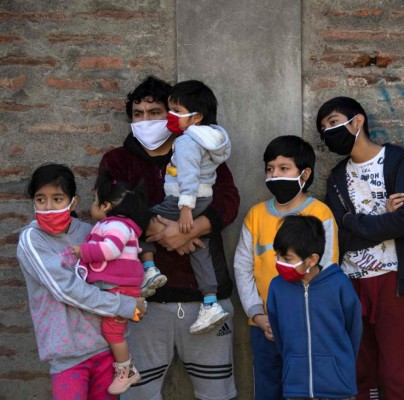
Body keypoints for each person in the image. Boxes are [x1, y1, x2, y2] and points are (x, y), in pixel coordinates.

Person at [98, 76, 239, 400]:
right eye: (138, 113)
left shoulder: (204, 150)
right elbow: (112, 207)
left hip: (206, 296)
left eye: (155, 112)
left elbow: (228, 199)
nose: (145, 120)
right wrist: (165, 234)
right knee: (139, 395)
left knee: (217, 392)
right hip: (140, 302)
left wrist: (195, 228)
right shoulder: (117, 160)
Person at [316, 97, 404, 400]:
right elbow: (340, 233)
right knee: (359, 369)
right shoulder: (337, 178)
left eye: (333, 121)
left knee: (396, 372)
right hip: (350, 281)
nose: (328, 130)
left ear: (357, 121)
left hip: (394, 279)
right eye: (323, 127)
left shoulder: (396, 161)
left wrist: (355, 221)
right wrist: (381, 219)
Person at [16, 163, 146, 399]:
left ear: (73, 202)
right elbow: (65, 291)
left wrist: (135, 295)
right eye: (40, 199)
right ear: (32, 203)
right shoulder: (31, 240)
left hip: (106, 348)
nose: (48, 206)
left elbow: (121, 269)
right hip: (68, 356)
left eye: (57, 198)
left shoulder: (90, 231)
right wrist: (125, 306)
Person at [233, 135, 339, 400]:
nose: (274, 175)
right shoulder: (255, 215)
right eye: (270, 169)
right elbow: (242, 267)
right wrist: (257, 314)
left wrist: (303, 318)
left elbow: (326, 271)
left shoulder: (320, 213)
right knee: (267, 390)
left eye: (284, 168)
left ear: (304, 174)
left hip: (306, 328)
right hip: (264, 328)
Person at [141, 79, 231, 335]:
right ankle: (211, 302)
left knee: (142, 219)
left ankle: (148, 269)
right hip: (205, 198)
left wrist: (184, 210)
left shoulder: (186, 142)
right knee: (200, 250)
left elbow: (188, 177)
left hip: (186, 198)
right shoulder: (210, 139)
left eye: (176, 112)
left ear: (196, 117)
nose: (170, 117)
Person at [69, 172, 152, 394]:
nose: (93, 206)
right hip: (115, 286)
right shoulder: (114, 224)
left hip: (120, 288)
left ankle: (126, 370)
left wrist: (83, 252)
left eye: (96, 201)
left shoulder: (116, 226)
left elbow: (111, 250)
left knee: (113, 331)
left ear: (106, 206)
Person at [267, 215, 362, 400]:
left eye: (287, 258)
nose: (279, 263)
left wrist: (340, 365)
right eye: (277, 255)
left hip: (338, 388)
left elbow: (354, 331)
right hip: (296, 389)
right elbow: (279, 336)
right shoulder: (277, 288)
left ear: (312, 259)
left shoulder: (339, 284)